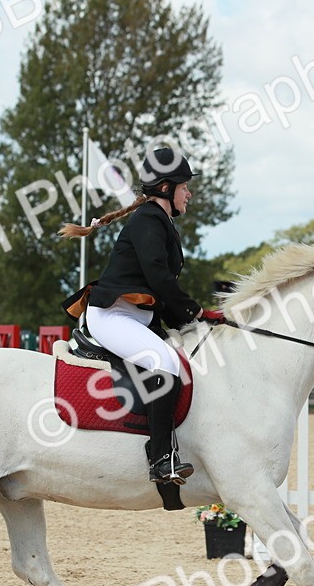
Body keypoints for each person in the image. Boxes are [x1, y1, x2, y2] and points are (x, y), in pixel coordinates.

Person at [58, 148, 222, 486]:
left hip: (137, 317)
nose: (189, 193)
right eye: (184, 187)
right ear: (165, 188)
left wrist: (192, 322)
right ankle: (161, 458)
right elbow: (159, 278)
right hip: (113, 316)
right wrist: (196, 311)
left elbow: (157, 288)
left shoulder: (159, 221)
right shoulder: (148, 219)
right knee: (164, 365)